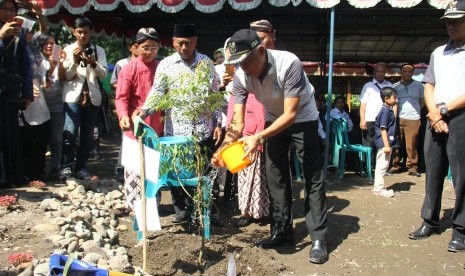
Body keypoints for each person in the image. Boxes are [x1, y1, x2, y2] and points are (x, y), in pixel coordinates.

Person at [212, 29, 328, 264]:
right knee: (275, 176)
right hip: (272, 119)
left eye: (246, 61)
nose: (243, 68)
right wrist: (223, 148)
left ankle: (318, 238)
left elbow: (291, 114)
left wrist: (259, 137)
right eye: (238, 63)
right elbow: (237, 121)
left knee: (311, 177)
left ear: (262, 51)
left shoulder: (289, 63)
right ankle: (282, 231)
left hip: (303, 118)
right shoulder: (241, 76)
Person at [140, 24, 223, 225]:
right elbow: (158, 92)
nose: (184, 47)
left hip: (204, 130)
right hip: (176, 131)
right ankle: (182, 210)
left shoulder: (206, 64)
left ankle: (208, 211)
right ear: (173, 43)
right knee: (177, 171)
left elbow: (215, 96)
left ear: (195, 42)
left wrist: (218, 123)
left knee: (205, 172)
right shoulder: (166, 65)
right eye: (180, 43)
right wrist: (145, 110)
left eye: (188, 43)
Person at [409, 0, 465, 253]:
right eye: (448, 21)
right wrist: (433, 113)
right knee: (432, 170)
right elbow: (428, 84)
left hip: (461, 115)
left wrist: (443, 111)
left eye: (457, 20)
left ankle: (461, 230)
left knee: (461, 175)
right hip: (436, 116)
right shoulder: (438, 52)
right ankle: (429, 220)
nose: (451, 25)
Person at [115, 27, 164, 210]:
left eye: (153, 47)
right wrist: (123, 116)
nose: (149, 52)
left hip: (157, 123)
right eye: (145, 47)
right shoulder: (128, 69)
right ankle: (134, 206)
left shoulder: (161, 68)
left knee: (153, 166)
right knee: (135, 167)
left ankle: (152, 205)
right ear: (136, 47)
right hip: (135, 124)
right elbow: (121, 98)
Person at [59, 17, 108, 180]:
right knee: (70, 133)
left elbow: (104, 73)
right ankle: (65, 167)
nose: (82, 36)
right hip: (73, 98)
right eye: (79, 32)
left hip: (92, 98)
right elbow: (66, 75)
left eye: (85, 32)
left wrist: (93, 63)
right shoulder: (68, 49)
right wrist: (74, 60)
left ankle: (81, 167)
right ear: (74, 32)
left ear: (90, 32)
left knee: (87, 136)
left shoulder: (98, 50)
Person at [0, 0, 33, 188]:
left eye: (11, 9)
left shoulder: (18, 36)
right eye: (3, 9)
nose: (7, 13)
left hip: (9, 93)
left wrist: (27, 93)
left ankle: (9, 179)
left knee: (10, 136)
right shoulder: (5, 33)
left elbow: (25, 66)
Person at [32, 32, 66, 180]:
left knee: (57, 138)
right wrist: (53, 66)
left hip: (57, 104)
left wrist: (61, 64)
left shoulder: (60, 59)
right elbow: (45, 82)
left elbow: (64, 78)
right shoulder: (36, 60)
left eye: (52, 43)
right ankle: (38, 170)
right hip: (40, 106)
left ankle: (56, 168)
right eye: (46, 43)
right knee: (41, 139)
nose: (50, 46)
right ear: (40, 45)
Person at [112, 37, 139, 182]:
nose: (138, 48)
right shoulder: (122, 64)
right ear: (131, 47)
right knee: (127, 140)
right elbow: (114, 84)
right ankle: (120, 169)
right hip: (127, 108)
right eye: (136, 45)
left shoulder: (156, 65)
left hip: (143, 111)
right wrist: (127, 86)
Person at [389, 63, 424, 177]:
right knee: (396, 143)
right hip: (399, 118)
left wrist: (417, 110)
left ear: (413, 73)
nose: (407, 73)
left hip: (413, 118)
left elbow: (423, 100)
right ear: (401, 73)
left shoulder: (419, 85)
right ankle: (395, 165)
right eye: (405, 71)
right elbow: (393, 102)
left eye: (410, 71)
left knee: (412, 144)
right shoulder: (395, 86)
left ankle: (412, 167)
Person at [359, 63, 394, 168]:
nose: (380, 74)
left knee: (383, 144)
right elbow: (363, 105)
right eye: (378, 71)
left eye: (382, 72)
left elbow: (394, 104)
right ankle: (368, 168)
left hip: (384, 120)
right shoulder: (368, 86)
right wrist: (362, 120)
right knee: (369, 144)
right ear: (374, 73)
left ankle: (381, 168)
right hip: (370, 119)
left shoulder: (389, 86)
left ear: (385, 73)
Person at [373, 87, 397, 198]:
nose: (396, 100)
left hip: (385, 142)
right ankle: (379, 189)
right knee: (382, 166)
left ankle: (378, 187)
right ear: (386, 99)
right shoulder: (385, 111)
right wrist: (387, 145)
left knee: (382, 165)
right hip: (384, 143)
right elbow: (383, 129)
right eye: (394, 98)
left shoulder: (388, 110)